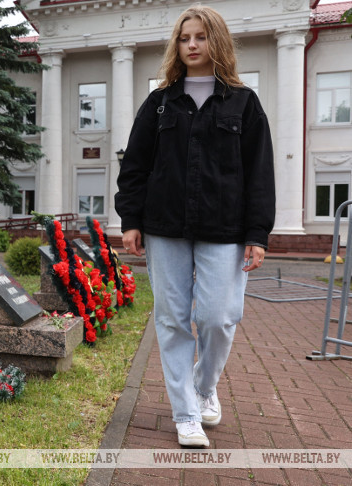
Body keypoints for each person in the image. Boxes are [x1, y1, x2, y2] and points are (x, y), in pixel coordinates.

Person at [115, 5, 275, 448]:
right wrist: (131, 219)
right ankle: (186, 413)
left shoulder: (244, 102)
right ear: (177, 44)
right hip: (164, 226)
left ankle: (204, 387)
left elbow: (259, 173)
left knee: (219, 317)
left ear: (215, 41)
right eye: (185, 37)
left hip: (225, 228)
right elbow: (136, 167)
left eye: (200, 37)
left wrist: (257, 234)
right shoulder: (160, 101)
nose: (191, 45)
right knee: (171, 320)